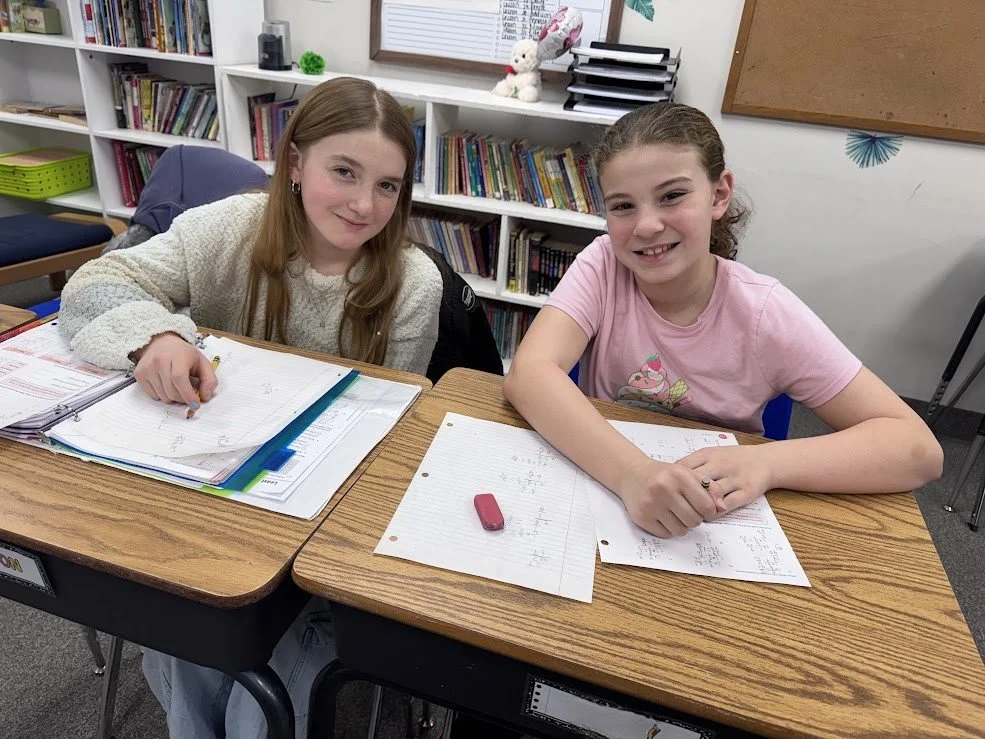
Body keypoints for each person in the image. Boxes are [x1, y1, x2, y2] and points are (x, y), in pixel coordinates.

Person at [59, 77, 444, 737]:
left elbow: (386, 435)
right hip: (201, 508)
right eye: (343, 172)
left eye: (387, 186)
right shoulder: (227, 228)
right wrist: (157, 335)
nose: (362, 204)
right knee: (200, 638)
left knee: (248, 688)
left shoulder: (411, 284)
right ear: (295, 162)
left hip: (315, 531)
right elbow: (97, 281)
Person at [502, 102, 943, 540]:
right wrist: (631, 474)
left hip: (717, 519)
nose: (648, 225)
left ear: (718, 194)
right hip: (609, 492)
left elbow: (918, 450)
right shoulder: (603, 265)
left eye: (672, 196)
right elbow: (529, 374)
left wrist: (767, 464)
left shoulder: (764, 311)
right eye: (623, 206)